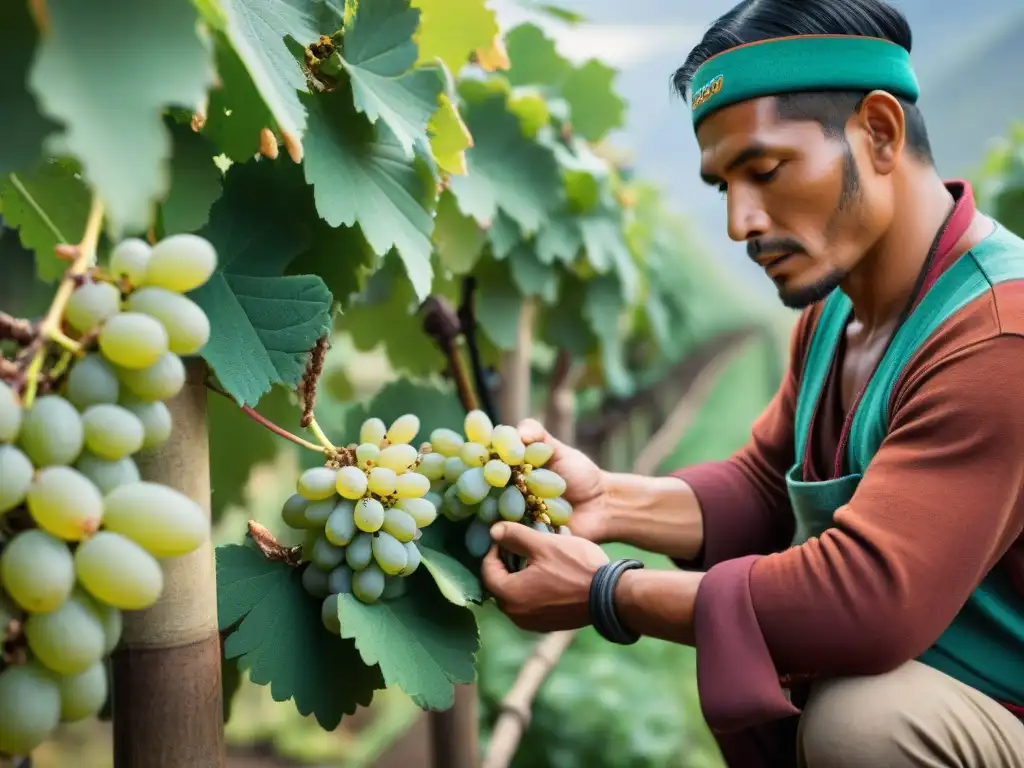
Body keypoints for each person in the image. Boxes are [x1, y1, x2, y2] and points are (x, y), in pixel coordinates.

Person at [479, 0, 1024, 766]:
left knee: (866, 726)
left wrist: (612, 593)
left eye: (765, 171)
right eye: (722, 186)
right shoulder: (839, 310)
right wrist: (609, 497)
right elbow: (769, 487)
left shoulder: (1000, 334)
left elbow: (867, 601)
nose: (740, 222)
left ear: (879, 132)